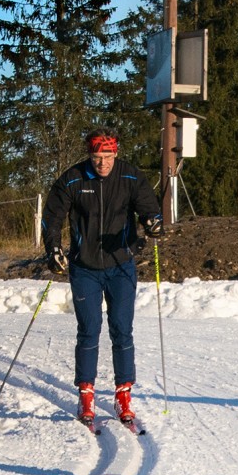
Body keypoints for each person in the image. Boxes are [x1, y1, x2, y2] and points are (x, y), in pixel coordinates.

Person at [43, 129, 164, 425]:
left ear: (116, 154)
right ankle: (86, 392)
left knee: (122, 329)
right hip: (84, 267)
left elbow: (150, 208)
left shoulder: (131, 177)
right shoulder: (73, 178)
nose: (102, 164)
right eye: (97, 157)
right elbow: (53, 216)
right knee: (89, 328)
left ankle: (123, 393)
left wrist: (153, 222)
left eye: (107, 157)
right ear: (89, 155)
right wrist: (53, 248)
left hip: (121, 265)